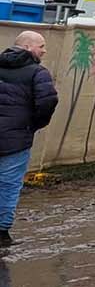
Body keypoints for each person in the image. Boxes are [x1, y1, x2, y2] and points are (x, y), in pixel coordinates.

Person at [0, 31, 57, 248]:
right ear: (27, 47)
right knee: (8, 185)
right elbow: (48, 102)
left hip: (15, 136)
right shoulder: (37, 73)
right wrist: (32, 125)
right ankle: (2, 234)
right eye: (41, 46)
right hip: (16, 141)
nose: (44, 50)